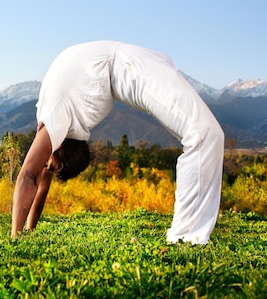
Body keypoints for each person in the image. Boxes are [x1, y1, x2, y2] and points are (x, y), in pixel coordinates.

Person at [11, 41, 224, 244]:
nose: (44, 168)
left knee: (205, 133)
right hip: (126, 63)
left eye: (48, 166)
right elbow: (42, 185)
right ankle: (189, 232)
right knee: (204, 133)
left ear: (59, 148)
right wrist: (29, 231)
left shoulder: (55, 119)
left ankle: (186, 237)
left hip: (126, 65)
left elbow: (28, 176)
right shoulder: (60, 132)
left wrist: (15, 237)